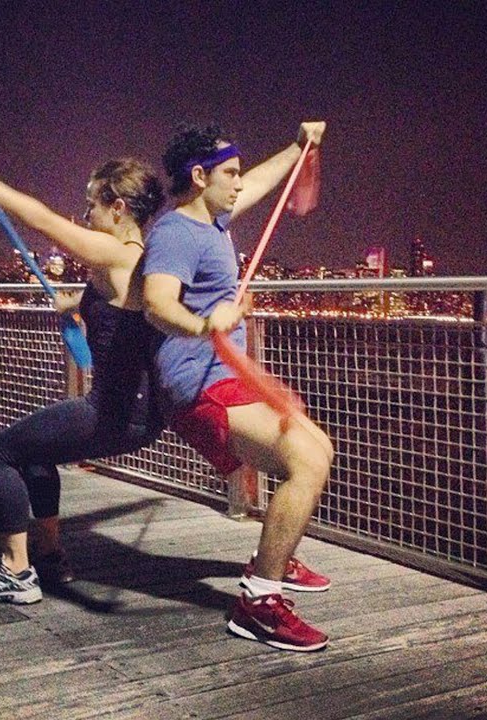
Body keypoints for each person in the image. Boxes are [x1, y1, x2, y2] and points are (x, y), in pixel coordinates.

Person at [0, 110, 167, 604]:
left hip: (111, 412)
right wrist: (74, 307)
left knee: (0, 452)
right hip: (141, 414)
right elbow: (121, 317)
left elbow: (38, 217)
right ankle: (49, 555)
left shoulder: (118, 253)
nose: (85, 216)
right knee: (36, 454)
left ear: (118, 208)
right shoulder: (141, 262)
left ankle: (15, 572)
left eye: (91, 206)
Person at [142, 121, 336, 651]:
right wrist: (208, 323)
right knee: (305, 459)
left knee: (319, 448)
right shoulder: (176, 232)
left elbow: (260, 183)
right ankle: (259, 604)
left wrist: (298, 146)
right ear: (199, 176)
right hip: (196, 381)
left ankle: (272, 558)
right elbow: (157, 303)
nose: (239, 182)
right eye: (229, 173)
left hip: (225, 375)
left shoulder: (214, 219)